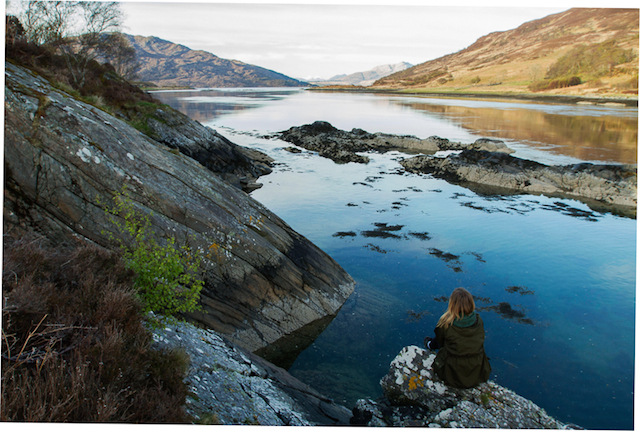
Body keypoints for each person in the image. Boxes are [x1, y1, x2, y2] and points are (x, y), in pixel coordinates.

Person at [424, 287, 491, 389]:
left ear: (452, 304)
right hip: (477, 370)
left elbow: (439, 343)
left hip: (453, 373)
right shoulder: (478, 320)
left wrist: (429, 344)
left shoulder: (446, 323)